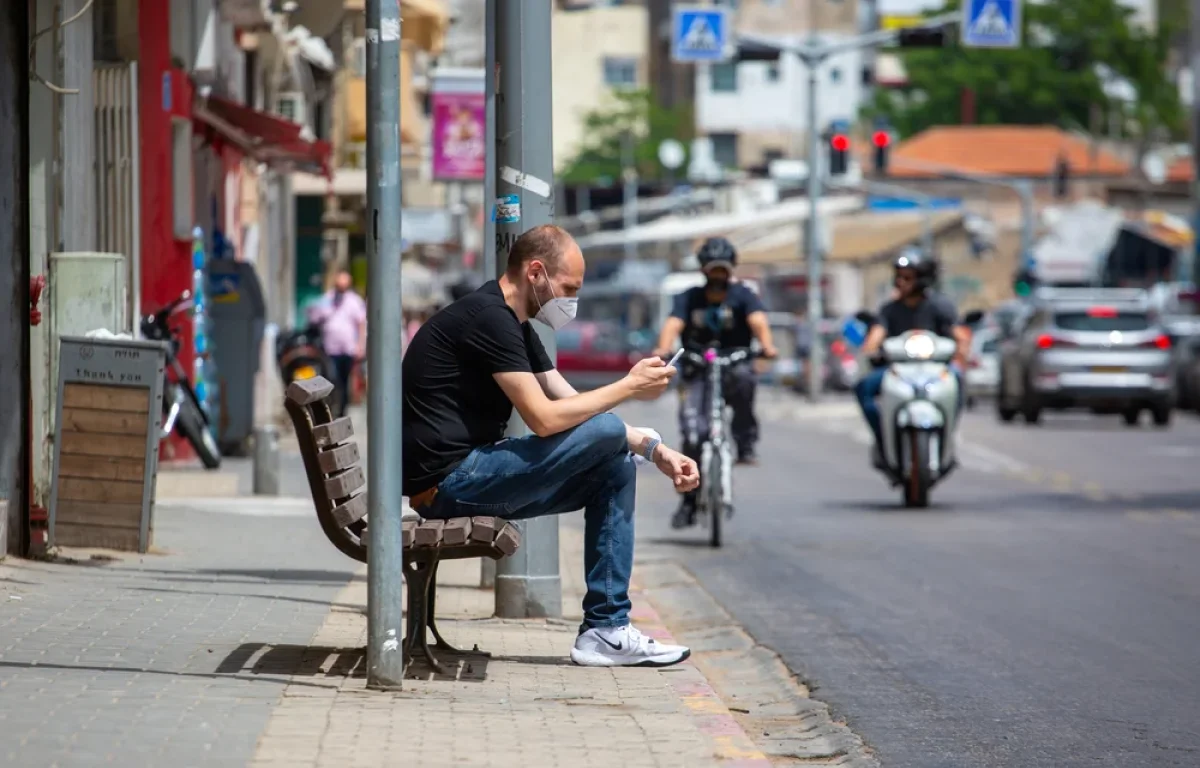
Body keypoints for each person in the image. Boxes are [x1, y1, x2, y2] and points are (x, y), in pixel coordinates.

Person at [402, 224, 700, 668]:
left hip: (468, 477)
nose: (572, 302)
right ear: (536, 272)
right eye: (569, 288)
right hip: (449, 484)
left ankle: (606, 630)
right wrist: (628, 386)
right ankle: (607, 628)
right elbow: (544, 419)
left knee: (615, 468)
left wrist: (656, 450)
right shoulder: (488, 318)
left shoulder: (515, 324)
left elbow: (571, 402)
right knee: (606, 436)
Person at [652, 237, 778, 530]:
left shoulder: (744, 296)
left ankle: (745, 442)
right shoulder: (688, 297)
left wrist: (767, 346)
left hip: (735, 363)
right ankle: (687, 502)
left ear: (731, 270)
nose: (718, 277)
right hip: (697, 367)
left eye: (723, 270)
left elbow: (758, 320)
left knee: (747, 379)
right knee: (693, 432)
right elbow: (673, 325)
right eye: (713, 270)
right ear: (704, 271)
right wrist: (663, 347)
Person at [856, 250, 970, 462]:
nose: (900, 282)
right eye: (898, 276)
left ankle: (947, 435)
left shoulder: (940, 306)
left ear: (922, 279)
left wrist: (959, 353)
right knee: (864, 388)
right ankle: (884, 437)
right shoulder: (890, 309)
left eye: (907, 277)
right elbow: (875, 336)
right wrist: (872, 349)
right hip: (898, 370)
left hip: (935, 370)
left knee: (957, 380)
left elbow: (959, 335)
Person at [307, 269, 367, 417]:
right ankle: (330, 409)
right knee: (332, 379)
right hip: (330, 348)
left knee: (344, 381)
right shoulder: (327, 299)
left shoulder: (354, 301)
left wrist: (360, 346)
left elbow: (361, 324)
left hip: (347, 349)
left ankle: (342, 411)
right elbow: (315, 318)